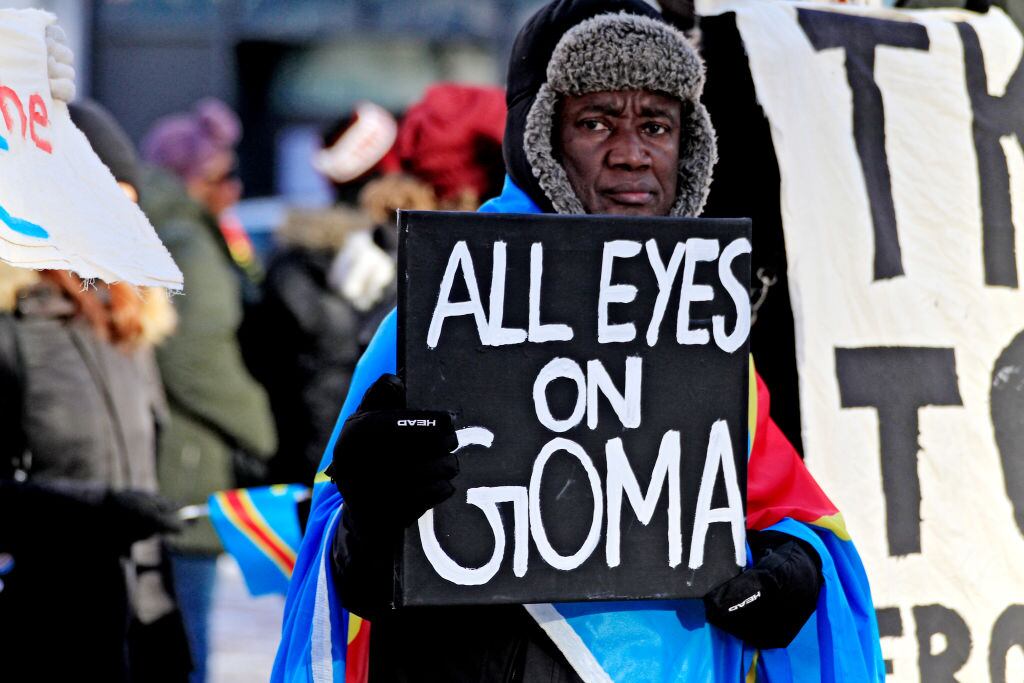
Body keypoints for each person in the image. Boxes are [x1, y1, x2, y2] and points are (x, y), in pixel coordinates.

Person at [274, 2, 884, 681]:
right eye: (596, 122)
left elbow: (787, 510)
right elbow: (345, 588)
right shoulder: (447, 308)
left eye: (657, 124)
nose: (632, 153)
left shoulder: (697, 325)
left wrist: (791, 569)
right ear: (541, 140)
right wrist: (372, 519)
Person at [0, 96, 189, 682]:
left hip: (145, 621)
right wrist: (99, 511)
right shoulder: (12, 326)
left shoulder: (126, 318)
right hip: (52, 630)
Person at [140, 99, 277, 683]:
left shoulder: (171, 233)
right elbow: (196, 357)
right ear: (190, 179)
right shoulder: (190, 248)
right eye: (222, 176)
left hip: (173, 456)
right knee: (186, 644)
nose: (235, 190)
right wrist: (262, 428)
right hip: (187, 462)